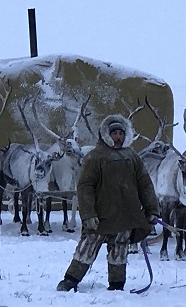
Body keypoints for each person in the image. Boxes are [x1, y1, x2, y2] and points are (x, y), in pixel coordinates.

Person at [57, 114, 160, 292]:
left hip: (126, 215)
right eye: (114, 133)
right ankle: (70, 280)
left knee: (120, 249)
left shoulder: (132, 157)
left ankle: (117, 284)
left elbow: (145, 184)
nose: (118, 137)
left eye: (121, 133)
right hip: (100, 215)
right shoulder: (95, 157)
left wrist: (152, 209)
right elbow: (85, 186)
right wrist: (88, 214)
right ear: (106, 134)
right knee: (87, 247)